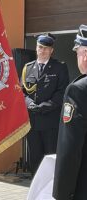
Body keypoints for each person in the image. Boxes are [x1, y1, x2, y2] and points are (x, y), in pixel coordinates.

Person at [21, 33, 69, 174]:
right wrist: (29, 104)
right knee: (34, 157)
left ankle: (51, 189)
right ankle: (36, 188)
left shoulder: (59, 67)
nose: (43, 51)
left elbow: (62, 92)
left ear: (51, 50)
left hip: (50, 122)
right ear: (36, 48)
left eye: (46, 48)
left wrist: (43, 106)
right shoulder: (27, 68)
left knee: (50, 156)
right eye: (40, 47)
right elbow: (21, 91)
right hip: (33, 122)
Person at [53, 24, 87, 200]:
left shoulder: (78, 90)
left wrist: (62, 194)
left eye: (78, 52)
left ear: (86, 55)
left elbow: (70, 150)